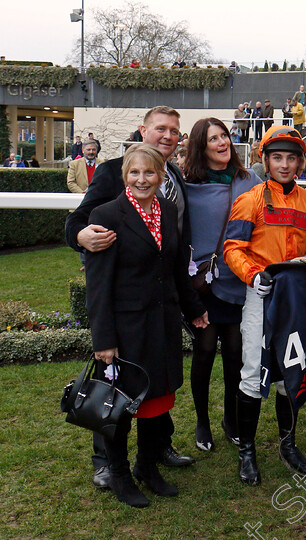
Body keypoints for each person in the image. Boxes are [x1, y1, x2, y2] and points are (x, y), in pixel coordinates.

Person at [65, 106, 198, 489]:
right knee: (119, 392)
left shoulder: (174, 181)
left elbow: (173, 250)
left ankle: (155, 453)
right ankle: (108, 464)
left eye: (174, 130)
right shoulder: (111, 173)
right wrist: (81, 237)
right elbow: (79, 221)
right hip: (126, 310)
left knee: (156, 386)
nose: (168, 135)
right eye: (160, 128)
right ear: (143, 130)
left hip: (161, 307)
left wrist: (190, 306)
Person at [86, 143, 209, 508]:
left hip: (162, 322)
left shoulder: (168, 211)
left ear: (161, 176)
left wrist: (194, 309)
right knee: (122, 405)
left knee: (158, 398)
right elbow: (98, 283)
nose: (142, 179)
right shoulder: (107, 214)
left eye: (149, 172)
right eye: (134, 172)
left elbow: (175, 270)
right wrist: (104, 339)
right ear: (125, 175)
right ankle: (120, 473)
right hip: (125, 328)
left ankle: (146, 466)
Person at [223, 126, 306, 485]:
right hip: (261, 297)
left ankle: (288, 445)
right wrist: (253, 275)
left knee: (292, 373)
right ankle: (247, 452)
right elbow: (232, 248)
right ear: (265, 160)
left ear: (301, 162)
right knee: (253, 374)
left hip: (299, 303)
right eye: (277, 158)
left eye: (291, 158)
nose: (285, 165)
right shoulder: (250, 200)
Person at [182, 118, 262, 453]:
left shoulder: (250, 180)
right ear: (201, 146)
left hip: (238, 280)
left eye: (225, 136)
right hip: (202, 285)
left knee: (234, 355)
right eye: (213, 138)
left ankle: (231, 419)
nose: (222, 142)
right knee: (203, 351)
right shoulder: (186, 185)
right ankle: (202, 420)